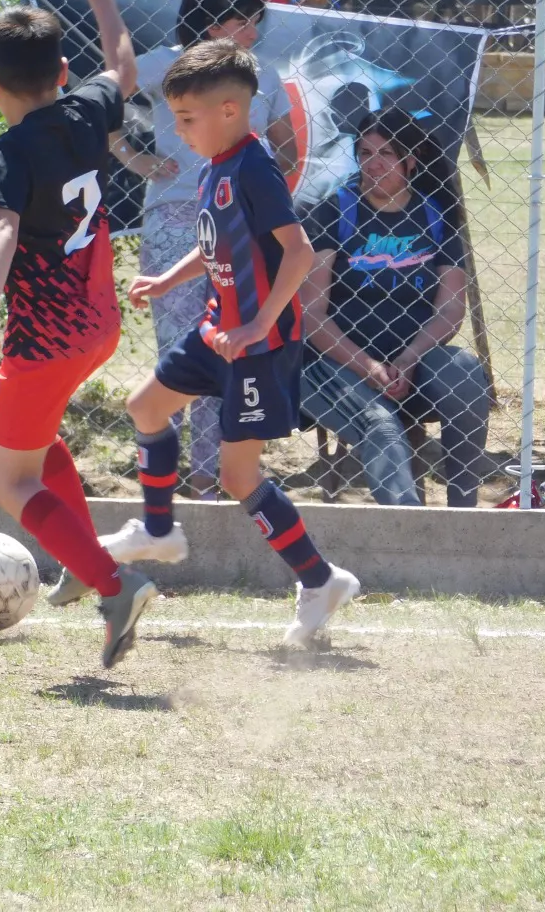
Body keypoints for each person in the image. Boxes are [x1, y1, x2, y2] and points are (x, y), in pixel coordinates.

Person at [99, 40, 360, 645]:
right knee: (147, 407)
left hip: (257, 347)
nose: (178, 131)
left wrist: (261, 324)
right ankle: (160, 530)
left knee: (239, 476)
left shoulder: (253, 165)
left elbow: (296, 252)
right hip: (218, 331)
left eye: (186, 119)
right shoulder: (215, 162)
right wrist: (169, 277)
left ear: (228, 111)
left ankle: (320, 581)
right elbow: (219, 243)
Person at [0, 0, 157, 670]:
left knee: (9, 481)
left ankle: (113, 583)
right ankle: (81, 561)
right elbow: (123, 68)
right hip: (98, 327)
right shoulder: (88, 108)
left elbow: (0, 228)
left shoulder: (7, 148)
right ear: (62, 73)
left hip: (46, 337)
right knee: (37, 444)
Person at [114, 0, 298, 499]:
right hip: (174, 221)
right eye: (245, 22)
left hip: (240, 230)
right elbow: (102, 96)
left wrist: (262, 169)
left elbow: (286, 147)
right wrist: (132, 155)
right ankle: (164, 475)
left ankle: (208, 475)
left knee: (229, 348)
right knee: (178, 354)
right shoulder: (165, 67)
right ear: (213, 23)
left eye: (256, 23)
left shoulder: (261, 75)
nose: (254, 34)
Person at [299, 108, 489, 506]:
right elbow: (311, 314)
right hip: (337, 366)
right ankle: (412, 536)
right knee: (382, 428)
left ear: (410, 160)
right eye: (365, 153)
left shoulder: (435, 217)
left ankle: (465, 517)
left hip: (412, 363)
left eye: (385, 153)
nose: (374, 164)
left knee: (467, 377)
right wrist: (367, 366)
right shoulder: (334, 212)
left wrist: (409, 359)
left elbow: (450, 309)